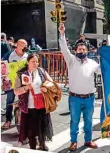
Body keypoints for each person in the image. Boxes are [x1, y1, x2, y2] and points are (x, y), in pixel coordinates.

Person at [59, 23, 100, 151]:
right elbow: (64, 49)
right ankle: (73, 142)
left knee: (88, 121)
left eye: (83, 49)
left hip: (89, 98)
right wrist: (62, 33)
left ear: (87, 51)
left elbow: (102, 71)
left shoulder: (93, 63)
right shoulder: (71, 61)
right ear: (75, 51)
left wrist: (108, 59)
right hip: (74, 98)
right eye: (79, 49)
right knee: (74, 121)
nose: (81, 51)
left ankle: (88, 140)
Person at [14, 53, 54, 150]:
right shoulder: (21, 74)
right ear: (28, 62)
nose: (36, 64)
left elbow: (51, 83)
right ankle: (33, 147)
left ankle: (42, 143)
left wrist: (46, 88)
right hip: (28, 107)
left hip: (41, 105)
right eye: (33, 62)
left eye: (37, 61)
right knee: (31, 130)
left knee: (42, 127)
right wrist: (26, 88)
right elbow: (16, 91)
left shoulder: (41, 71)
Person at [1, 39, 29, 129]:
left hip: (23, 82)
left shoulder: (27, 56)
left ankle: (23, 120)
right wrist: (4, 76)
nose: (24, 47)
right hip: (11, 82)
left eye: (25, 46)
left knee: (25, 100)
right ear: (17, 45)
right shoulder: (9, 54)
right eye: (22, 45)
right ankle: (8, 120)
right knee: (9, 100)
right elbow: (2, 66)